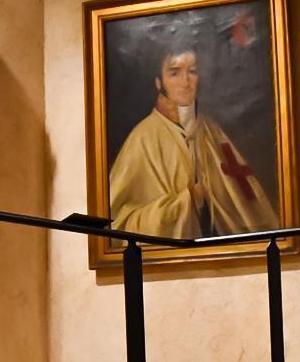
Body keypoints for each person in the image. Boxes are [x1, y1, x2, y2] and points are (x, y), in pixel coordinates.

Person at [107, 46, 280, 239]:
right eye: (174, 73)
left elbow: (245, 202)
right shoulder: (142, 138)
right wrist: (189, 200)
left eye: (192, 71)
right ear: (159, 82)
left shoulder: (211, 130)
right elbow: (116, 225)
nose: (186, 82)